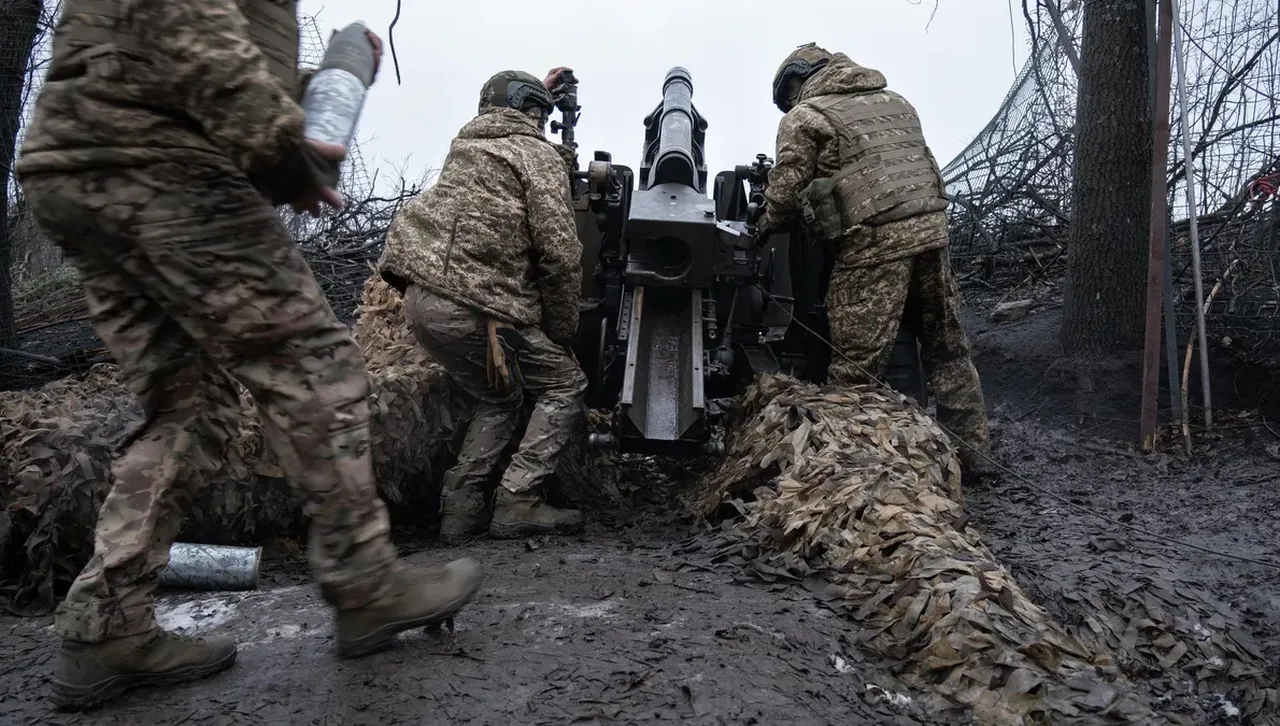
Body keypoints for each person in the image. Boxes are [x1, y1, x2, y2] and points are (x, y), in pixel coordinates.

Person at [14, 0, 483, 711]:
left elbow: (190, 48)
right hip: (162, 164)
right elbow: (189, 25)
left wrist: (316, 85)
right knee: (314, 361)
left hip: (78, 166)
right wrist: (281, 150)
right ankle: (366, 584)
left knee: (187, 406)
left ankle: (107, 625)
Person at [756, 43, 995, 481]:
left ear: (796, 81)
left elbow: (786, 196)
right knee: (947, 349)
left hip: (873, 244)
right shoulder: (895, 101)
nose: (790, 104)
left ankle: (852, 474)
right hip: (932, 234)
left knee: (856, 366)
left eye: (787, 96)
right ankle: (972, 457)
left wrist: (763, 224)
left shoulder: (806, 116)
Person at [378, 68, 588, 543]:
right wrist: (561, 329)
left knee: (499, 398)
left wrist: (543, 98)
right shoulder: (535, 154)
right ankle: (518, 499)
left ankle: (459, 510)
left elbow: (510, 137)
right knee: (564, 384)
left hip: (423, 303)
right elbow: (559, 253)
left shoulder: (467, 148)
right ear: (532, 113)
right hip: (477, 307)